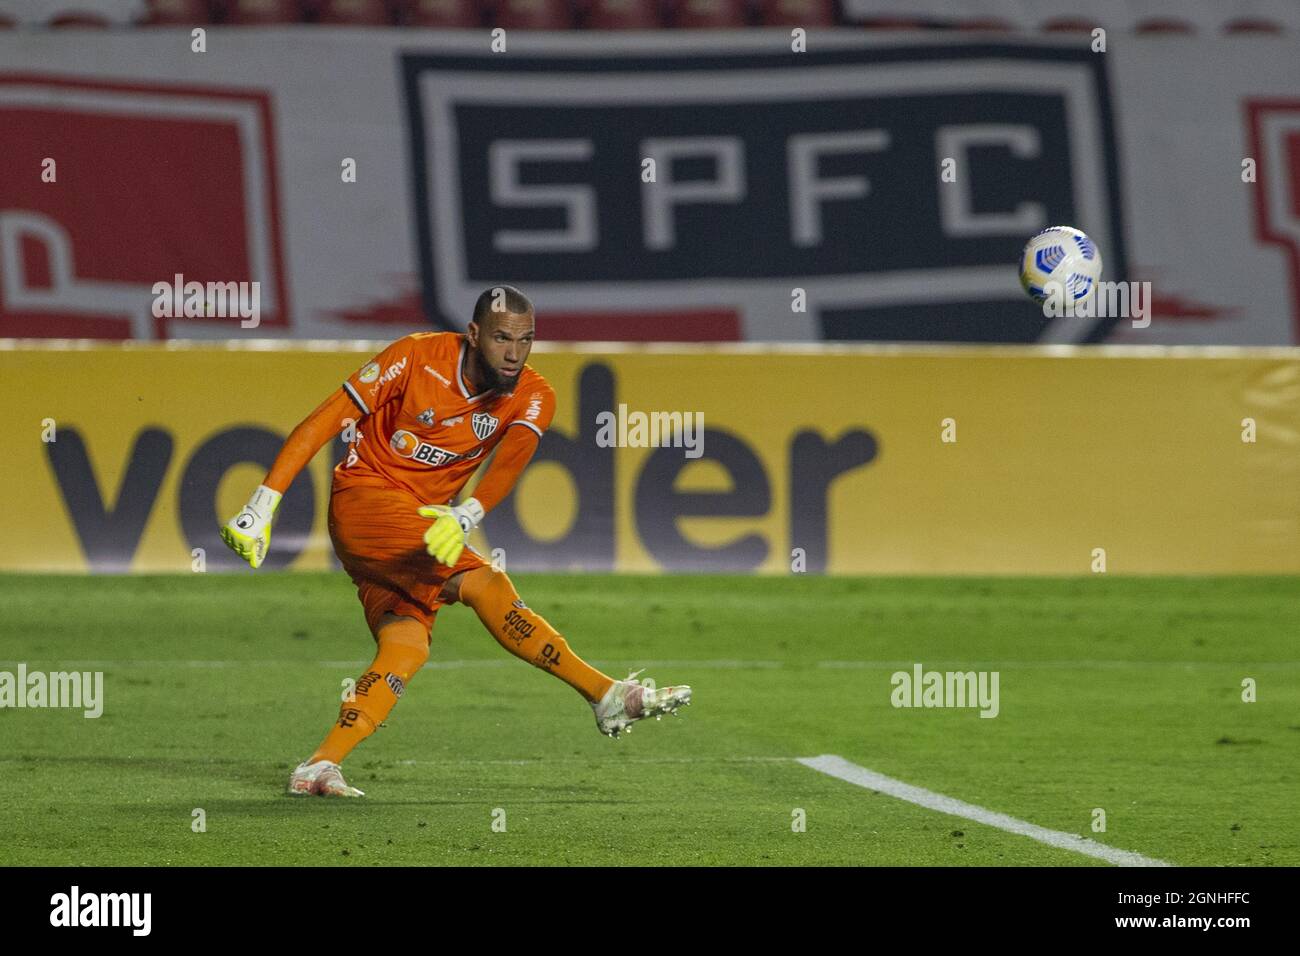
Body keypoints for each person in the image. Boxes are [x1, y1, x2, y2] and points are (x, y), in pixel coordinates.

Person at [220, 285, 691, 797]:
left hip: (423, 529)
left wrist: (467, 512)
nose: (514, 352)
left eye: (526, 339)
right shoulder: (415, 357)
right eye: (502, 338)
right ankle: (605, 693)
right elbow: (322, 422)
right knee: (486, 584)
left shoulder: (534, 395)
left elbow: (510, 460)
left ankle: (319, 765)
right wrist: (262, 504)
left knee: (407, 644)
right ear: (473, 334)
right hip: (364, 502)